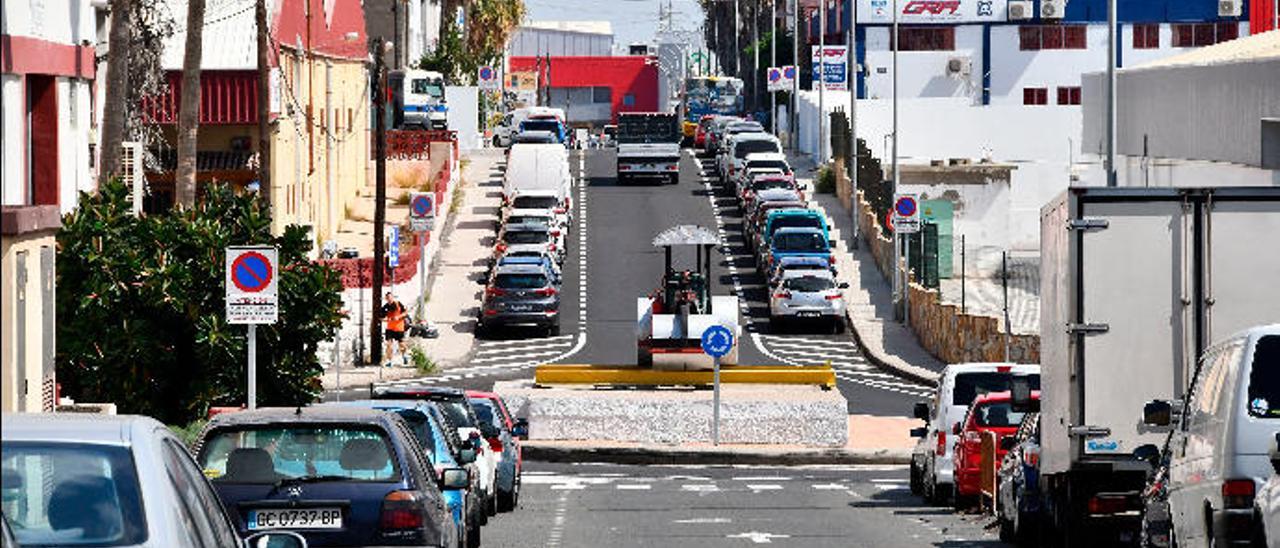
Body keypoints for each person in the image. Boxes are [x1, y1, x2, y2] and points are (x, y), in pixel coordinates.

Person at [382, 292, 408, 366]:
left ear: (392, 297)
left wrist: (398, 317)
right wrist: (385, 319)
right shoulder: (385, 307)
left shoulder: (398, 304)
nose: (389, 299)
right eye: (387, 298)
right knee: (389, 344)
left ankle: (405, 355)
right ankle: (389, 361)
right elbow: (381, 317)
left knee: (402, 344)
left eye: (390, 297)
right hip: (390, 328)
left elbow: (405, 313)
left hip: (399, 327)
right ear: (386, 299)